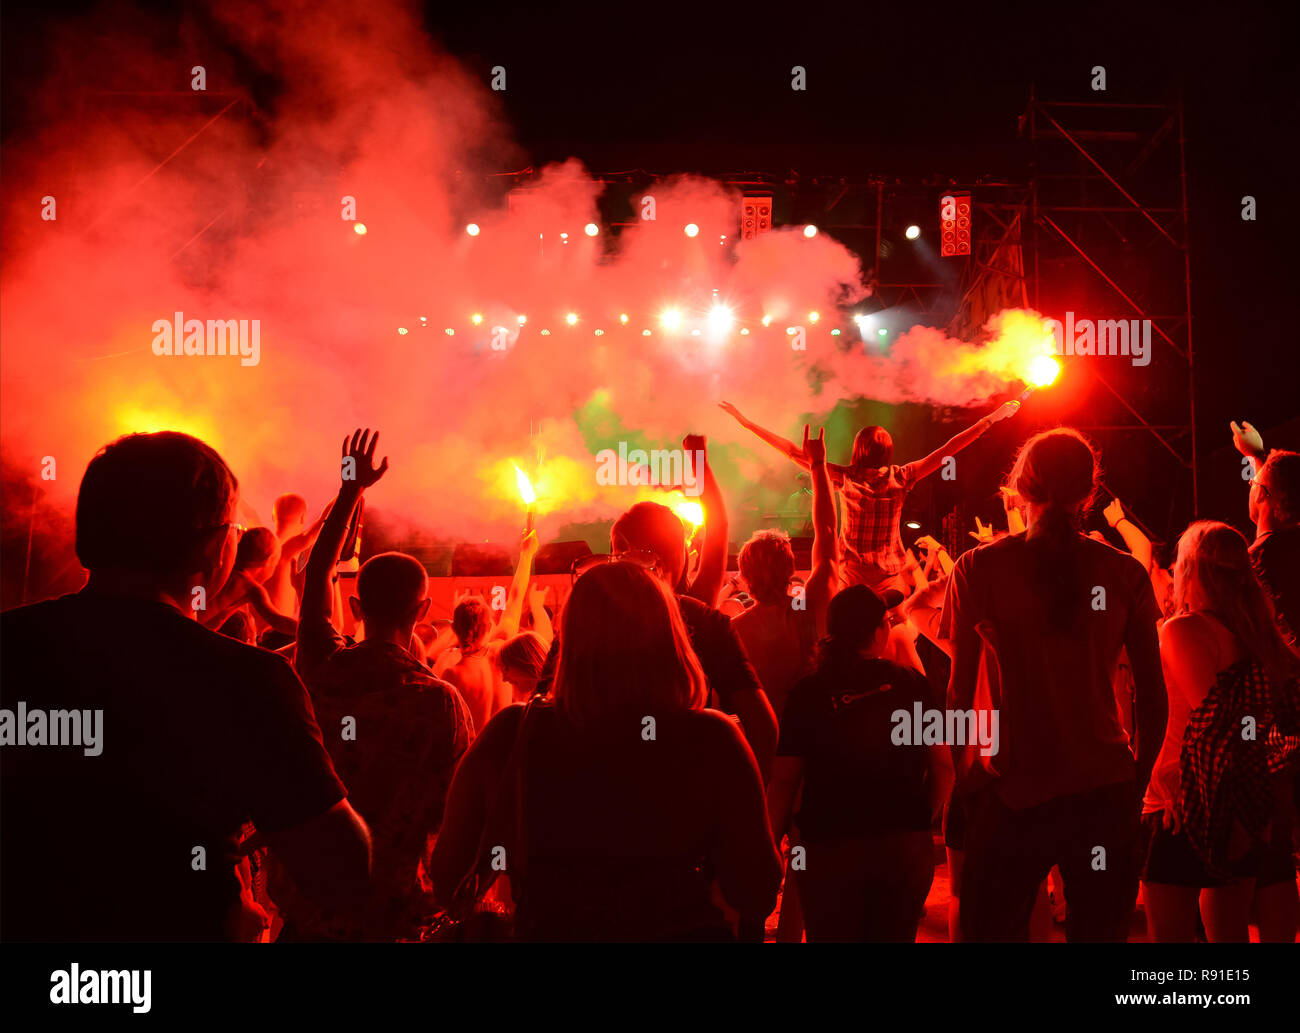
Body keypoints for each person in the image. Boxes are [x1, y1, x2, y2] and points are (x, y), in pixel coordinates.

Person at [0, 431, 370, 941]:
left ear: (86, 536)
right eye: (233, 530)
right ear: (216, 547)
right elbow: (340, 871)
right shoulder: (249, 680)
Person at [430, 561, 782, 940]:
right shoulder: (714, 739)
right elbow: (756, 891)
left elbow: (450, 878)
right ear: (670, 636)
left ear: (571, 639)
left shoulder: (514, 732)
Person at [942, 427, 1168, 942]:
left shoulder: (978, 567)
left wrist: (967, 775)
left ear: (1020, 488)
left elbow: (957, 695)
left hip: (1013, 790)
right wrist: (1135, 787)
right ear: (1090, 493)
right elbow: (1152, 696)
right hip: (1103, 787)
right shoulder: (1124, 573)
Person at [290, 429, 474, 941]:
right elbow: (453, 814)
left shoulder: (323, 664)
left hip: (313, 907)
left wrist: (351, 488)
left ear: (354, 607)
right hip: (391, 914)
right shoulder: (441, 702)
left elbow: (316, 575)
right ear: (422, 611)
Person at [1140, 520, 1300, 942]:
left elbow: (1212, 725)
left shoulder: (1185, 629)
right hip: (1255, 799)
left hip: (1192, 808)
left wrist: (1178, 785)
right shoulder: (1261, 637)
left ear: (1192, 569)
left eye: (1177, 564)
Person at [767, 583, 951, 941]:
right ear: (880, 629)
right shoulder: (911, 685)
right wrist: (916, 821)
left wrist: (770, 842)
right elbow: (943, 766)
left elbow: (785, 781)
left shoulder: (808, 692)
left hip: (829, 850)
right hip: (903, 849)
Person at [719, 398, 1021, 594]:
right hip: (890, 575)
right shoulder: (902, 477)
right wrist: (991, 419)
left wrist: (746, 423)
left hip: (851, 574)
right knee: (901, 619)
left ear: (857, 449)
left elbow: (791, 451)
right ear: (887, 451)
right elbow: (948, 449)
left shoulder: (845, 478)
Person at [732, 425, 838, 723]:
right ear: (791, 570)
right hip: (814, 736)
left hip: (764, 744)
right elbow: (827, 535)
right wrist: (817, 464)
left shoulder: (733, 631)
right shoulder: (810, 610)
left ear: (743, 576)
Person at [1231, 420, 1300, 653]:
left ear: (1260, 492)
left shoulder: (1251, 563)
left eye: (1253, 482)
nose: (1251, 483)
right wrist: (1255, 454)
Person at [200, 526, 298, 639]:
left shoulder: (226, 572)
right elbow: (279, 622)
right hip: (194, 629)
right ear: (269, 561)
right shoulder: (250, 587)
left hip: (188, 620)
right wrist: (309, 629)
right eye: (275, 564)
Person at [445, 596, 511, 734]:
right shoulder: (505, 655)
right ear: (490, 627)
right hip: (505, 750)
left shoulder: (453, 675)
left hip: (474, 752)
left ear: (453, 628)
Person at [266, 492, 331, 615]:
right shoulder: (286, 550)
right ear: (302, 518)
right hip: (280, 631)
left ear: (273, 517)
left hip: (254, 632)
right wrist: (348, 491)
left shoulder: (261, 548)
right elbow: (321, 524)